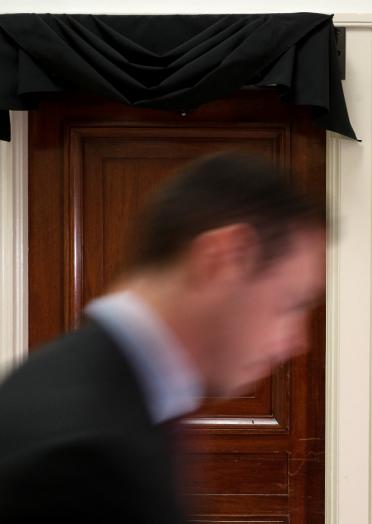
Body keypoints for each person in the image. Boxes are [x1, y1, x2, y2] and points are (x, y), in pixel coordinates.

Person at [0, 152, 326, 523]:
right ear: (225, 257)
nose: (299, 341)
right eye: (291, 304)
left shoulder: (77, 384)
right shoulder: (80, 458)